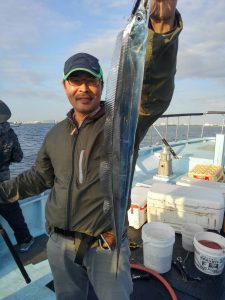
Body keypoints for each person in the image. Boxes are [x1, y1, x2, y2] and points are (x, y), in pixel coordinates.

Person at [0, 1, 182, 299]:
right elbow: (36, 179)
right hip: (59, 247)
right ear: (65, 86)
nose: (83, 88)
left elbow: (153, 92)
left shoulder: (123, 121)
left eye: (90, 81)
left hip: (106, 245)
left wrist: (162, 27)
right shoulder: (55, 134)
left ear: (101, 84)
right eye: (76, 81)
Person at [0, 100, 34, 253]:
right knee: (14, 214)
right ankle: (25, 240)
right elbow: (18, 157)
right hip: (4, 183)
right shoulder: (10, 133)